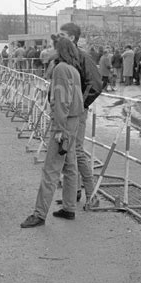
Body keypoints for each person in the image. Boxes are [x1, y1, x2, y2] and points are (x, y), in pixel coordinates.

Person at [21, 38, 84, 227]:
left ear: (59, 50)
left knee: (51, 168)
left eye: (52, 47)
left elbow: (61, 100)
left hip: (64, 122)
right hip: (74, 120)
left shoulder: (61, 69)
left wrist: (59, 128)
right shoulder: (72, 68)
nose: (49, 49)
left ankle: (39, 214)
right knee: (70, 165)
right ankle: (69, 207)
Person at [50, 23, 102, 207]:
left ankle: (92, 194)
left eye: (61, 35)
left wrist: (79, 105)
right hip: (69, 112)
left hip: (76, 112)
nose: (57, 38)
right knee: (70, 153)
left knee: (76, 151)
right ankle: (73, 194)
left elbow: (96, 84)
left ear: (71, 38)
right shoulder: (65, 58)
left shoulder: (82, 58)